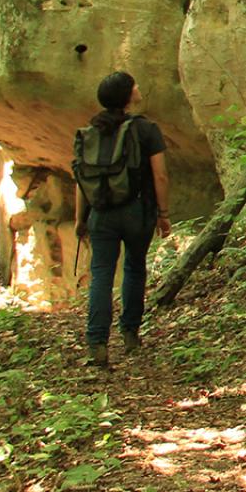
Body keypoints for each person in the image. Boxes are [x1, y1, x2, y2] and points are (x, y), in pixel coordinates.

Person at [76, 71, 171, 367]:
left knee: (101, 273)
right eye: (135, 85)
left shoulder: (89, 133)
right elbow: (160, 175)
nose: (139, 88)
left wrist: (80, 219)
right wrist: (163, 213)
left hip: (101, 214)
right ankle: (130, 334)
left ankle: (97, 344)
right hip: (136, 211)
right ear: (129, 95)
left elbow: (80, 180)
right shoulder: (145, 130)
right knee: (134, 267)